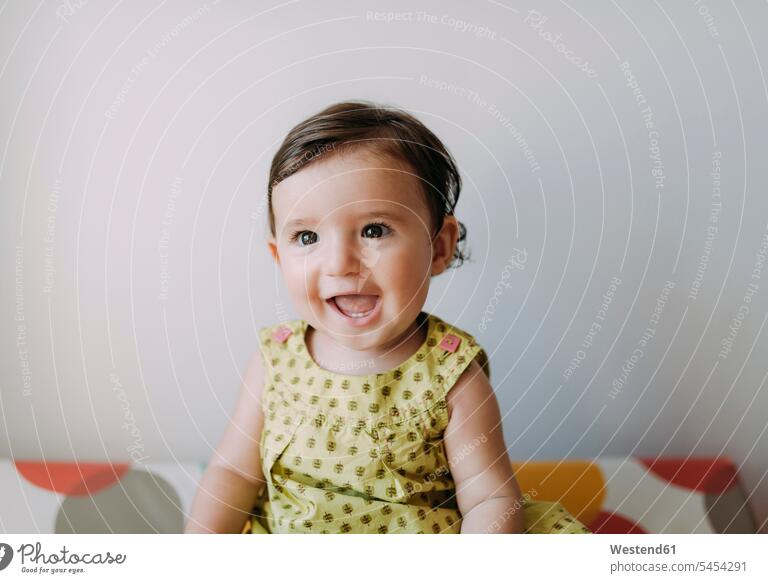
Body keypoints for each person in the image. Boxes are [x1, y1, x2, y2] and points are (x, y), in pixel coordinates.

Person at [185, 100, 590, 534]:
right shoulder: (274, 361)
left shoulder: (451, 374)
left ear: (439, 247)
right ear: (278, 256)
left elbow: (489, 497)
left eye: (374, 230)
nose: (339, 263)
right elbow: (233, 474)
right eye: (307, 237)